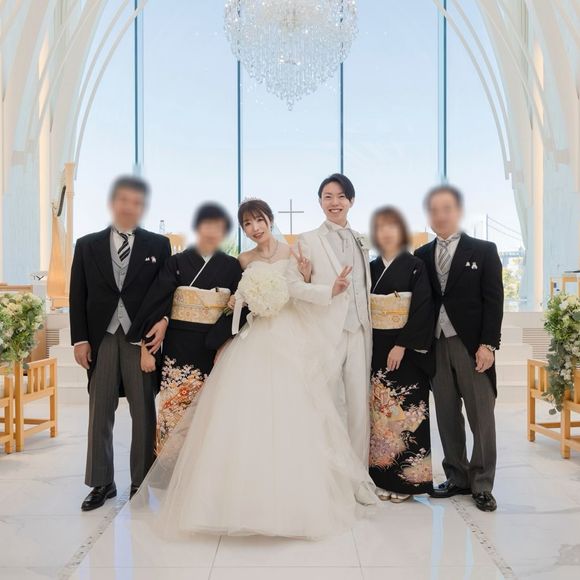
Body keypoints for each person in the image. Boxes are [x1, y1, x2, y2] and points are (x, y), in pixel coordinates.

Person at [132, 199, 376, 539]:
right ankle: (236, 501)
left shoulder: (294, 252)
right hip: (254, 336)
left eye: (259, 220)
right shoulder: (243, 260)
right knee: (245, 415)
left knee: (293, 413)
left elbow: (300, 291)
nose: (254, 228)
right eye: (247, 224)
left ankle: (296, 503)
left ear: (270, 220)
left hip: (289, 336)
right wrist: (233, 318)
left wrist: (317, 281)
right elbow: (237, 303)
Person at [69, 176, 171, 511]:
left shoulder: (158, 245)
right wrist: (80, 339)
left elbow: (165, 292)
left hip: (140, 339)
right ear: (113, 203)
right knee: (100, 410)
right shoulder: (87, 245)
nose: (130, 207)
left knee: (143, 411)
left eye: (137, 202)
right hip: (102, 338)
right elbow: (77, 295)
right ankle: (102, 482)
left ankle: (141, 482)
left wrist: (163, 322)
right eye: (124, 200)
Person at [415, 185, 503, 512]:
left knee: (482, 417)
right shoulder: (421, 255)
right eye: (434, 210)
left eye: (447, 209)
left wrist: (488, 345)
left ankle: (482, 483)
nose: (440, 215)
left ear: (459, 211)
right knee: (447, 414)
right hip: (436, 344)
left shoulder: (484, 250)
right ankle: (456, 475)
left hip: (471, 345)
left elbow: (493, 301)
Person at [127, 203, 242, 451]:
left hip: (214, 345)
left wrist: (223, 342)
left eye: (219, 227)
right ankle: (168, 465)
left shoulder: (232, 266)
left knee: (211, 415)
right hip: (179, 347)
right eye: (207, 224)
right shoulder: (176, 262)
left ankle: (204, 467)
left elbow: (239, 308)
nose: (212, 231)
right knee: (174, 412)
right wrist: (147, 347)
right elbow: (157, 303)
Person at [286, 173, 372, 464]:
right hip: (325, 331)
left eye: (341, 196)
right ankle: (331, 472)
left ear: (351, 201)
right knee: (329, 404)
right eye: (328, 197)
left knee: (359, 405)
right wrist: (328, 291)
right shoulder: (307, 240)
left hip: (360, 329)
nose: (335, 202)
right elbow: (293, 286)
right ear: (320, 202)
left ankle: (358, 472)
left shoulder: (362, 240)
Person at [368, 206, 435, 503]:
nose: (386, 233)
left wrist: (402, 344)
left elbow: (422, 308)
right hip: (375, 347)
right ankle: (382, 478)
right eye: (381, 227)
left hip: (405, 350)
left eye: (392, 227)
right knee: (380, 416)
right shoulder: (371, 268)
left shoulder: (415, 265)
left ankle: (409, 482)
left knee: (407, 415)